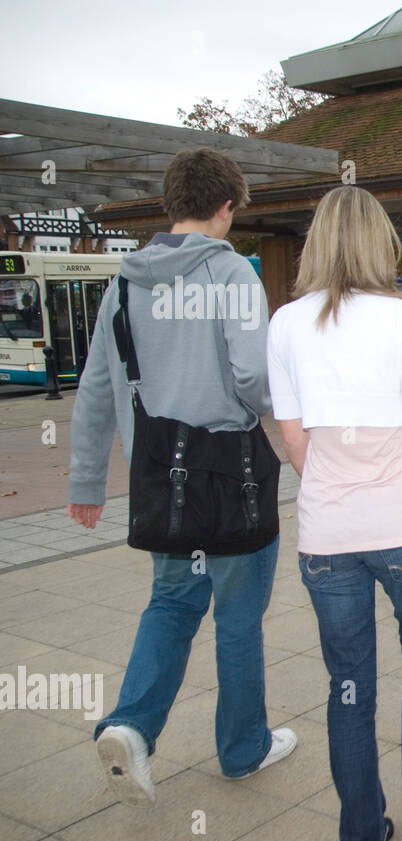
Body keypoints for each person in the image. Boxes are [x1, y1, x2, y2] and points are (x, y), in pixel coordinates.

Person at [67, 147, 295, 805]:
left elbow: (97, 390)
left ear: (172, 206)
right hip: (234, 481)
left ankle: (132, 727)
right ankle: (242, 749)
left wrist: (85, 482)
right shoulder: (232, 276)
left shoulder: (124, 282)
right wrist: (290, 408)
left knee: (170, 603)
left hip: (162, 487)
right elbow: (253, 378)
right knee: (237, 618)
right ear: (226, 207)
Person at [267, 186, 402, 841]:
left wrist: (332, 490)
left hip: (328, 536)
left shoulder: (285, 325)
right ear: (377, 242)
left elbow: (293, 437)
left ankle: (361, 839)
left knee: (348, 684)